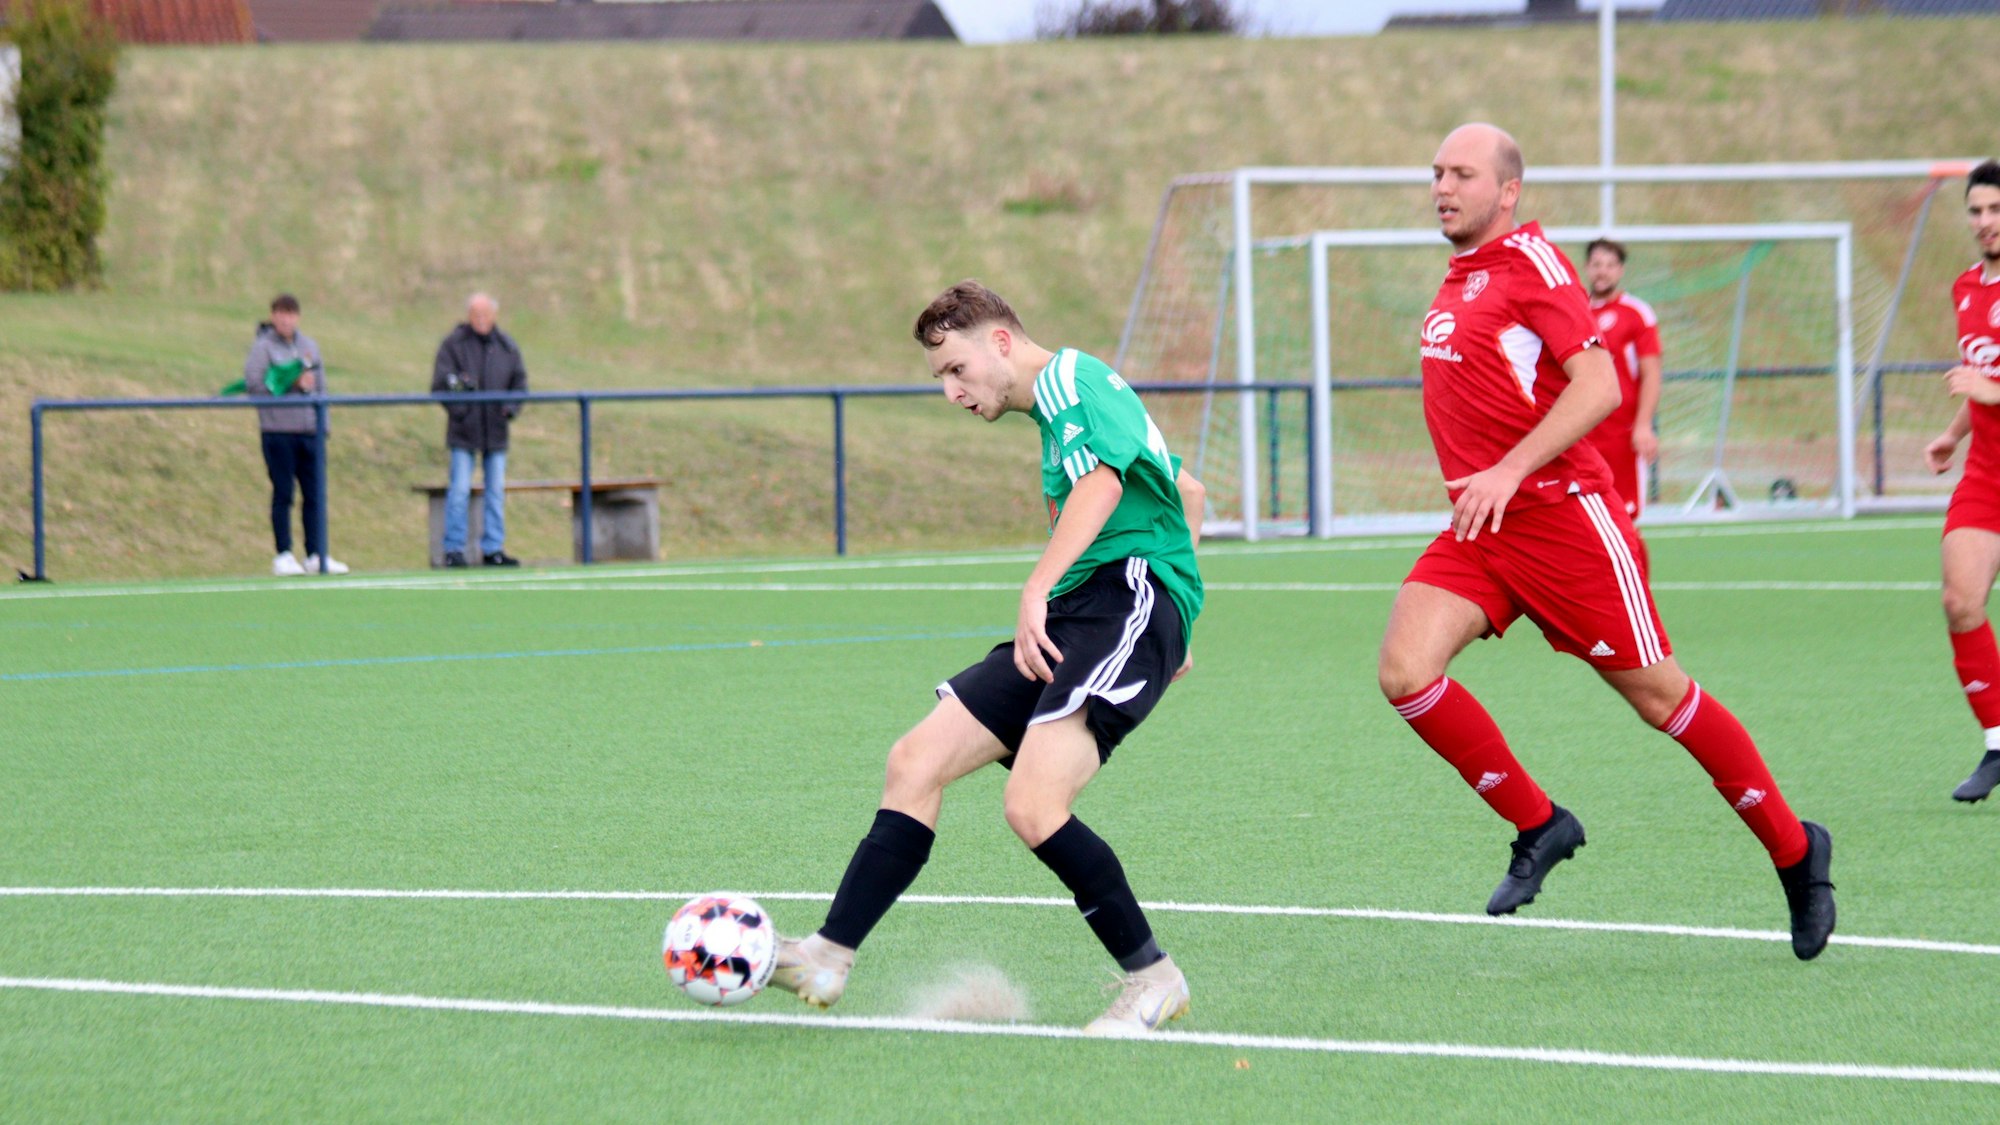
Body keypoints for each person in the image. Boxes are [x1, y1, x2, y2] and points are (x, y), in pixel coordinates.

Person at [1378, 124, 1834, 959]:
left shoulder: (1535, 266)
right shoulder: (1460, 276)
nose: (1442, 185)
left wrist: (1510, 471)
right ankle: (1539, 822)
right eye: (1437, 171)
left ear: (1508, 191)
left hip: (1564, 520)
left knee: (1662, 698)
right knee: (1406, 671)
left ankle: (1798, 853)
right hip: (1482, 530)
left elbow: (1599, 384)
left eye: (1462, 173)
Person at [769, 281, 1207, 1035]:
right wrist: (1181, 615)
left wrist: (1136, 602)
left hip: (1119, 598)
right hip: (1093, 610)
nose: (952, 391)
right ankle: (827, 954)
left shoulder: (1073, 377)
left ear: (999, 342)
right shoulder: (1057, 416)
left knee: (1034, 805)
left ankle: (1153, 979)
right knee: (914, 760)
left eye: (955, 368)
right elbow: (1188, 489)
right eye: (941, 377)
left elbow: (1104, 485)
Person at [1927, 158, 2000, 803]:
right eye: (1976, 211)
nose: (1984, 222)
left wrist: (1991, 391)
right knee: (1960, 602)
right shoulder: (1966, 288)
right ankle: (1999, 742)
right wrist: (1956, 431)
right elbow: (1980, 382)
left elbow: (1989, 383)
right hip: (1986, 476)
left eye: (1995, 210)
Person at [244, 293, 347, 577]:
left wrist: (323, 426)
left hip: (310, 432)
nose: (285, 319)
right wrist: (291, 382)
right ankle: (283, 554)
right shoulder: (262, 348)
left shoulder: (309, 347)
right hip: (278, 432)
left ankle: (316, 553)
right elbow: (254, 386)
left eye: (290, 313)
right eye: (280, 313)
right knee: (284, 493)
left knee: (314, 495)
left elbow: (322, 388)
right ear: (273, 316)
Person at [432, 292, 527, 567]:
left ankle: (493, 549)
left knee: (495, 491)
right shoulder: (454, 345)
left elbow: (519, 384)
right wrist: (462, 410)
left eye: (485, 314)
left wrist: (509, 409)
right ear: (468, 316)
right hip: (464, 432)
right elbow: (441, 384)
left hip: (495, 432)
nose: (481, 320)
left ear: (494, 315)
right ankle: (453, 549)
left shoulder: (506, 346)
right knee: (459, 491)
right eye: (476, 315)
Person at [1581, 238, 1663, 518]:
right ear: (1587, 268)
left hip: (1622, 436)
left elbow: (1651, 372)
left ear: (1621, 270)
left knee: (1624, 520)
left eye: (1610, 265)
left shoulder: (1636, 313)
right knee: (1585, 521)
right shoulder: (1577, 311)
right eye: (1596, 265)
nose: (1602, 271)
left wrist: (1643, 426)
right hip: (1580, 435)